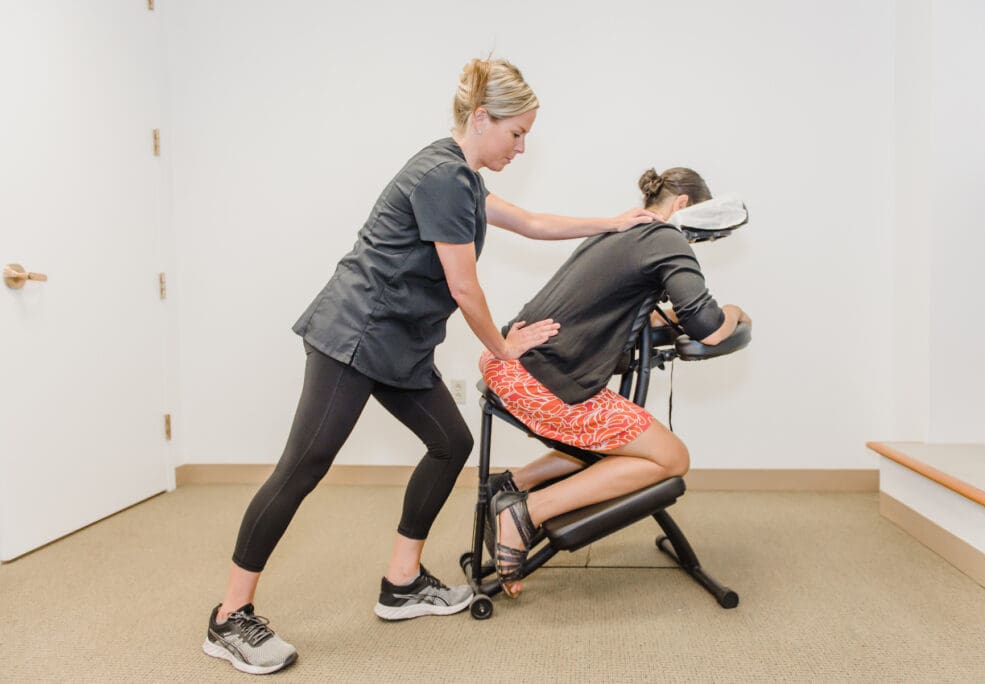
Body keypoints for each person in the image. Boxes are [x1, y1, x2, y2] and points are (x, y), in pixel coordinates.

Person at [202, 57, 659, 675]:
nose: (522, 147)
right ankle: (230, 617)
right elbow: (465, 287)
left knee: (451, 442)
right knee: (303, 467)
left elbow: (528, 221)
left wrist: (612, 221)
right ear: (480, 119)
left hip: (400, 343)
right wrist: (503, 348)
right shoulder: (443, 177)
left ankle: (402, 582)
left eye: (528, 135)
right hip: (354, 337)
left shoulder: (462, 175)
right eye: (516, 133)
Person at [479, 167, 751, 597]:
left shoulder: (617, 233)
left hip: (511, 367)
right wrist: (735, 311)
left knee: (623, 442)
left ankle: (514, 484)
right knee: (671, 458)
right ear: (682, 206)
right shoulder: (666, 237)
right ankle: (525, 513)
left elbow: (630, 310)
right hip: (545, 385)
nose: (695, 242)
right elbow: (709, 327)